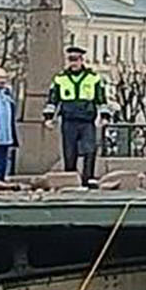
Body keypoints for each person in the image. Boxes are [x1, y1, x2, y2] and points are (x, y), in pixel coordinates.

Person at [44, 47, 106, 187]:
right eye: (71, 60)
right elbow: (53, 99)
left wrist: (104, 116)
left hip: (87, 119)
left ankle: (88, 178)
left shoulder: (93, 78)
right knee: (69, 151)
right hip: (69, 119)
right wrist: (48, 117)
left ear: (82, 60)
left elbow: (101, 98)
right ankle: (70, 177)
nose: (73, 63)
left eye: (76, 60)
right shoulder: (60, 79)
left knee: (90, 150)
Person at [0, 68, 18, 180]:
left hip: (6, 135)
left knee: (3, 161)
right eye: (0, 77)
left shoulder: (8, 95)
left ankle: (0, 180)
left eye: (4, 78)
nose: (3, 80)